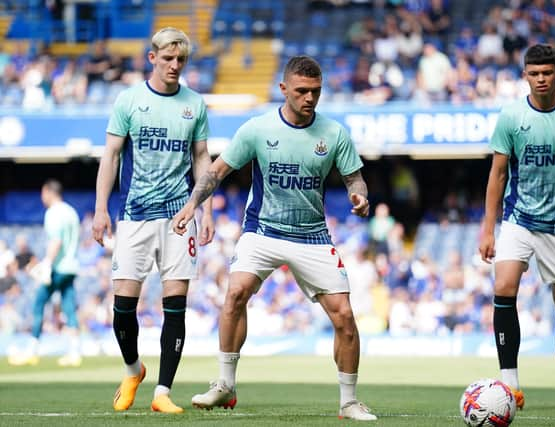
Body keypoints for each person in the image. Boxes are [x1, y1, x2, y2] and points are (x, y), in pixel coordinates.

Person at [172, 55, 377, 421]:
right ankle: (225, 384)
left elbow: (354, 177)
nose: (309, 98)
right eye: (301, 91)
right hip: (262, 230)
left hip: (312, 236)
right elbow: (216, 171)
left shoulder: (334, 134)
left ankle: (349, 401)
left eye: (315, 91)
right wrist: (191, 205)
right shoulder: (257, 129)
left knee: (344, 316)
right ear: (284, 89)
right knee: (235, 293)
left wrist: (358, 195)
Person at [91, 27, 214, 414]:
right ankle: (133, 369)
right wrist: (100, 209)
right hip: (134, 216)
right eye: (168, 59)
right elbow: (110, 157)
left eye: (181, 60)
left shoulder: (195, 104)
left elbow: (201, 158)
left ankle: (163, 392)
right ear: (152, 58)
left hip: (179, 216)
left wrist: (205, 209)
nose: (175, 66)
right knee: (123, 308)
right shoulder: (129, 100)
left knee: (175, 304)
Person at [479, 44, 555, 412]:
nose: (541, 79)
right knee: (503, 286)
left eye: (547, 73)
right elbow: (498, 173)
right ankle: (510, 386)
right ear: (525, 76)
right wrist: (488, 228)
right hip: (519, 219)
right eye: (534, 74)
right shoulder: (512, 116)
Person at [8, 179, 82, 367]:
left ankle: (32, 350)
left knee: (38, 303)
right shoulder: (71, 211)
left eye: (43, 193)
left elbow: (56, 240)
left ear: (49, 192)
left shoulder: (54, 213)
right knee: (69, 306)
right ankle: (74, 352)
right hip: (72, 266)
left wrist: (47, 263)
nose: (42, 197)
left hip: (58, 267)